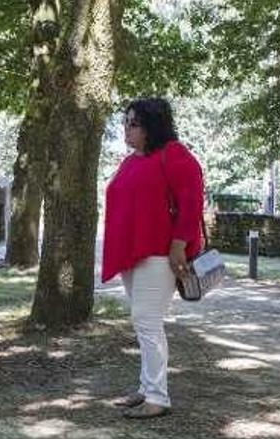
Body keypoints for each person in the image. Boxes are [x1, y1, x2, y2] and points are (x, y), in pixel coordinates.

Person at [102, 97, 204, 419]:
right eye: (125, 123)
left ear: (152, 125)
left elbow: (191, 200)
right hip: (133, 253)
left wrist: (179, 245)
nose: (126, 130)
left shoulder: (175, 155)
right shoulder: (131, 160)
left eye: (134, 124)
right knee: (143, 322)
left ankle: (158, 396)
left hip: (159, 254)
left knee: (147, 323)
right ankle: (147, 388)